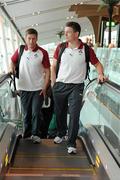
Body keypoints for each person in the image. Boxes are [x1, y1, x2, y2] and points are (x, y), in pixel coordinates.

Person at [51, 21, 106, 154]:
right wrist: (53, 83)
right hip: (60, 85)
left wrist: (100, 74)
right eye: (65, 31)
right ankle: (60, 133)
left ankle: (71, 142)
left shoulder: (86, 49)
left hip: (76, 87)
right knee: (60, 113)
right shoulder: (61, 47)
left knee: (75, 115)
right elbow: (53, 66)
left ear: (76, 34)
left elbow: (98, 64)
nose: (66, 34)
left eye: (68, 32)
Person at [10, 28, 50, 143]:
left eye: (33, 39)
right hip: (23, 89)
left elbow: (47, 71)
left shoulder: (43, 52)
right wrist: (10, 68)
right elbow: (12, 61)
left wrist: (45, 86)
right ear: (25, 38)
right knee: (26, 114)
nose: (31, 41)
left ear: (37, 39)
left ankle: (35, 135)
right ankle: (26, 134)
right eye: (29, 39)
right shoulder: (20, 50)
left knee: (36, 113)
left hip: (38, 89)